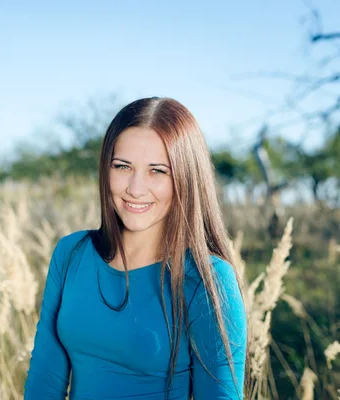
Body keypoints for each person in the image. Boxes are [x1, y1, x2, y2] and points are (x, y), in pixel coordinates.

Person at [23, 97, 249, 400]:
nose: (136, 188)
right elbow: (43, 381)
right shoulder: (71, 253)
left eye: (157, 171)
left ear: (186, 178)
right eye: (122, 166)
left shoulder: (208, 279)